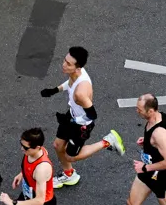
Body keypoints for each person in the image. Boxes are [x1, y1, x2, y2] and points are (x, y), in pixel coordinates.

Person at [40, 46, 123, 188]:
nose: (64, 65)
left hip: (81, 125)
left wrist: (72, 121)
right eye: (65, 60)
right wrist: (54, 90)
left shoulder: (81, 93)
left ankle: (108, 141)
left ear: (77, 68)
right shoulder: (77, 72)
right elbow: (70, 83)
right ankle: (69, 175)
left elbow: (92, 115)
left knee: (71, 156)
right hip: (71, 115)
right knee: (58, 145)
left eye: (68, 64)